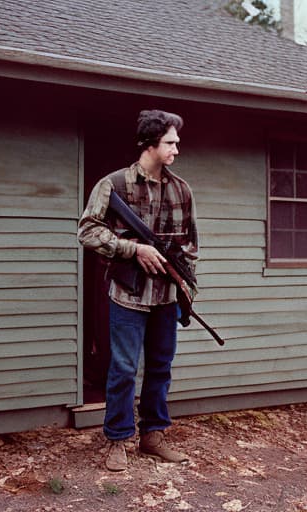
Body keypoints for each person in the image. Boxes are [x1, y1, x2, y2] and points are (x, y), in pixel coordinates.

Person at [78, 109, 198, 472]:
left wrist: (184, 282)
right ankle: (117, 440)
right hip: (128, 295)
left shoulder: (182, 189)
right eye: (170, 142)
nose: (177, 148)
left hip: (165, 297)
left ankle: (153, 436)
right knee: (125, 368)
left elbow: (192, 245)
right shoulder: (113, 185)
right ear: (149, 144)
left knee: (160, 368)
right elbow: (87, 231)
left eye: (177, 142)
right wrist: (134, 250)